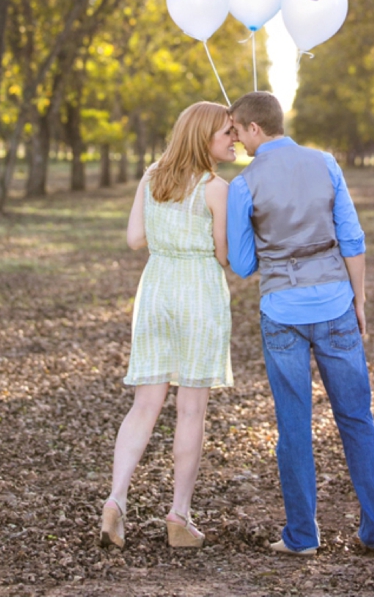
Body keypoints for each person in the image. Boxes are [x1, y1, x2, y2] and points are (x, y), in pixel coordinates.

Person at [226, 91, 374, 556]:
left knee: (294, 426)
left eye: (237, 130)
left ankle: (302, 536)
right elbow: (353, 239)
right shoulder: (326, 164)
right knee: (357, 417)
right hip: (336, 302)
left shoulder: (243, 184)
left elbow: (241, 264)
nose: (236, 140)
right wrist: (358, 300)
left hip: (282, 311)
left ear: (255, 129)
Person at [100, 102, 237, 550]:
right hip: (198, 290)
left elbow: (135, 239)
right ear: (204, 138)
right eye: (227, 133)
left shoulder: (152, 175)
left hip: (156, 289)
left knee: (144, 405)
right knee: (191, 410)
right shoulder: (217, 188)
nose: (234, 139)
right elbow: (224, 256)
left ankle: (116, 500)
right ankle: (179, 515)